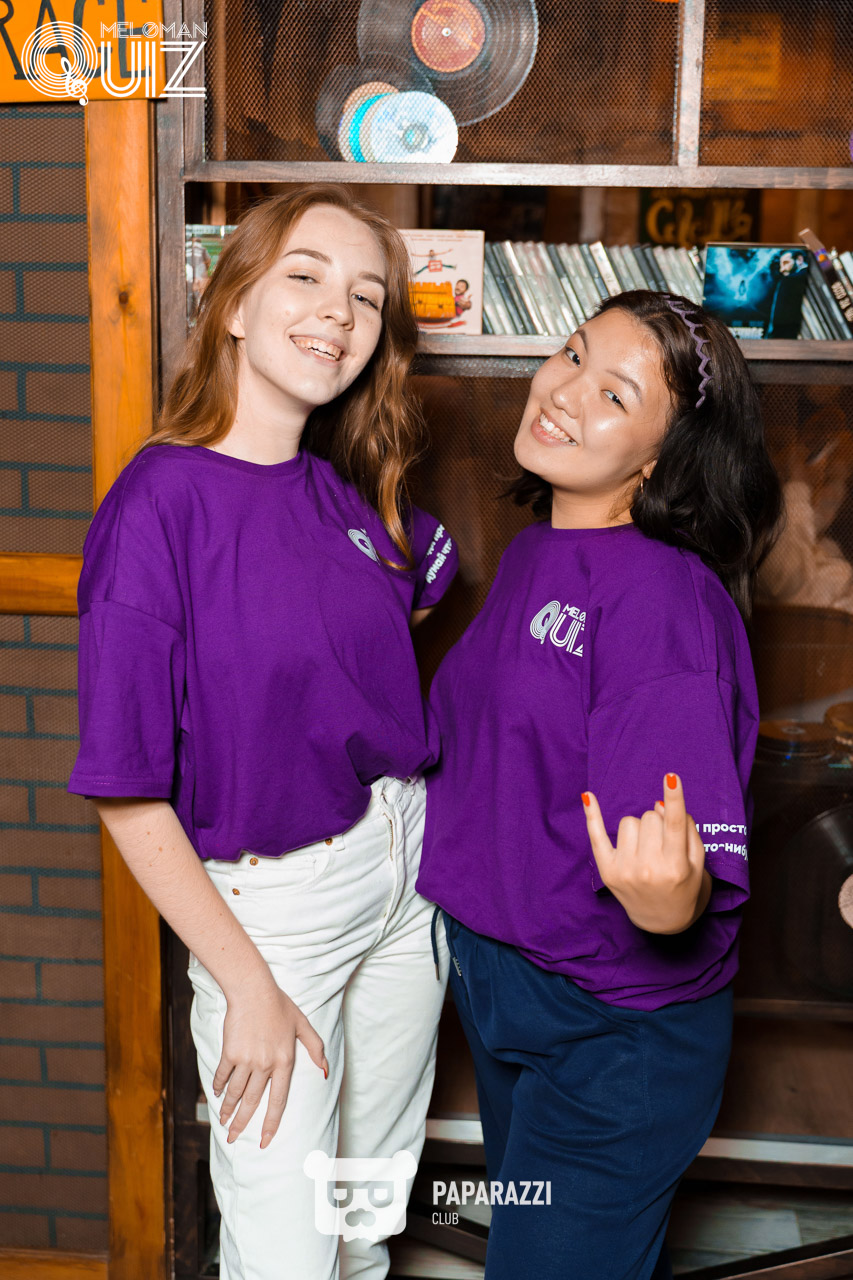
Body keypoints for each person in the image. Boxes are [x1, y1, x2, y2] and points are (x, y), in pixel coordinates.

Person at [68, 184, 457, 1280]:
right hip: (275, 916)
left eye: (366, 296)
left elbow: (413, 590)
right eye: (306, 276)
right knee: (287, 1255)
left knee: (363, 1219)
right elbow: (126, 788)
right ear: (233, 304)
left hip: (404, 875)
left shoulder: (342, 490)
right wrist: (242, 980)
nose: (339, 310)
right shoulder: (157, 505)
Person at [417, 290, 781, 1280]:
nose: (565, 390)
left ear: (662, 458)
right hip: (508, 987)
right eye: (572, 353)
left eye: (614, 393)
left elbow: (680, 870)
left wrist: (673, 895)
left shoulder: (662, 599)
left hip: (610, 1034)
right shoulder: (539, 547)